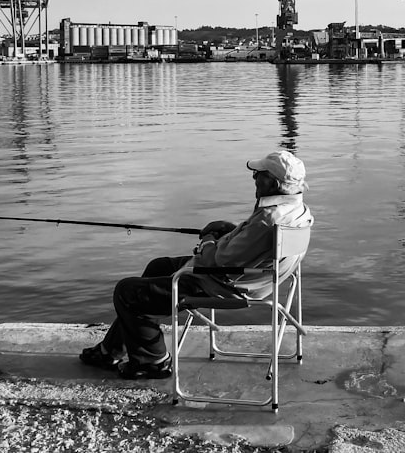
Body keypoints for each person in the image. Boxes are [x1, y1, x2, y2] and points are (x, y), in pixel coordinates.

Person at [79, 149, 314, 380]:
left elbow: (220, 261)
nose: (253, 178)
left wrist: (209, 240)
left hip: (223, 284)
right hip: (256, 278)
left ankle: (153, 362)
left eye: (258, 174)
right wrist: (232, 231)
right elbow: (256, 244)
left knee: (127, 292)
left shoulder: (267, 219)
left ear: (272, 183)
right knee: (158, 267)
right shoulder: (295, 210)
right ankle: (110, 351)